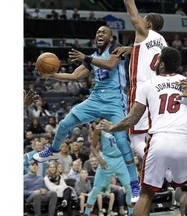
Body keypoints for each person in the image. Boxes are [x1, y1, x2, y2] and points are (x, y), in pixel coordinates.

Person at [33, 25, 140, 202]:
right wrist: (51, 75)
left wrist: (86, 58)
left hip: (115, 101)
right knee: (64, 124)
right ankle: (53, 150)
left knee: (121, 141)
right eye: (98, 32)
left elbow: (110, 64)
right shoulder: (92, 57)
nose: (100, 34)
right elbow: (75, 76)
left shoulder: (116, 48)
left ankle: (134, 184)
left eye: (104, 32)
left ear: (110, 38)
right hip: (96, 98)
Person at [98, 47, 187, 216]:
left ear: (161, 65)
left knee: (146, 194)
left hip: (159, 140)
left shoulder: (148, 85)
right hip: (185, 140)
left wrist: (112, 127)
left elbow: (132, 119)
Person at [114, 0, 167, 162]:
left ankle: (165, 173)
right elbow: (149, 53)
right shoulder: (163, 42)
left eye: (143, 19)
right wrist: (130, 49)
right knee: (153, 135)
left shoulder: (144, 31)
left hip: (141, 90)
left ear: (148, 24)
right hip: (158, 90)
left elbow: (131, 10)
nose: (140, 20)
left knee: (136, 140)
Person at [84, 121, 134, 216]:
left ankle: (131, 213)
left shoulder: (122, 124)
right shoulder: (99, 128)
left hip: (121, 158)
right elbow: (93, 147)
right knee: (96, 189)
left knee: (129, 187)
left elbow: (129, 141)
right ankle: (86, 213)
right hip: (107, 159)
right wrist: (99, 158)